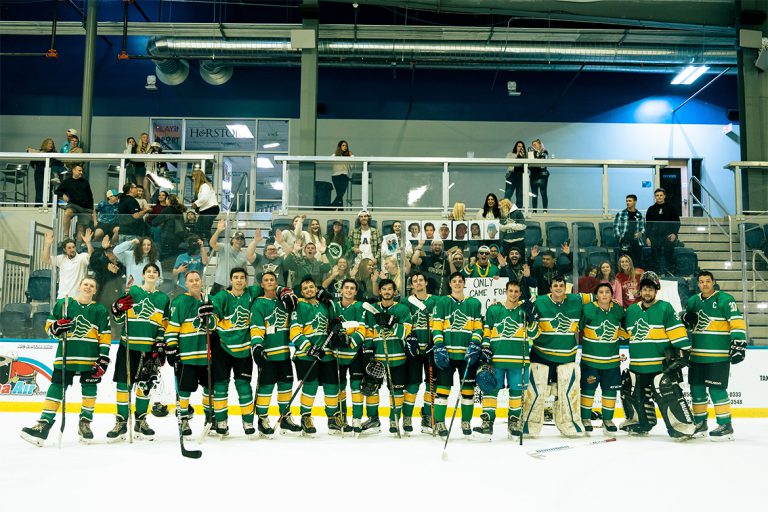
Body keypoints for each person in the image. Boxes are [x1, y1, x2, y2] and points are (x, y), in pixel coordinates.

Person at [20, 277, 111, 446]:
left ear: (95, 290)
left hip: (90, 357)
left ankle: (85, 423)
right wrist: (56, 327)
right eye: (86, 284)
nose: (88, 287)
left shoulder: (100, 310)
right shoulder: (64, 304)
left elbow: (105, 336)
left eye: (92, 286)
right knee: (56, 387)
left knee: (90, 389)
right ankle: (44, 424)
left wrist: (103, 358)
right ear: (80, 286)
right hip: (66, 356)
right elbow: (49, 326)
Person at [621, 271, 694, 439]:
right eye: (645, 289)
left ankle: (681, 425)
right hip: (638, 366)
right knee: (632, 389)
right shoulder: (631, 310)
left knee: (667, 391)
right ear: (640, 291)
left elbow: (677, 332)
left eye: (651, 289)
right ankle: (640, 423)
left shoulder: (665, 308)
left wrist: (684, 352)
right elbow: (623, 332)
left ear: (656, 291)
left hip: (659, 366)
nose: (647, 292)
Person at [107, 263, 170, 442]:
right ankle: (121, 421)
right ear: (143, 274)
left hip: (150, 349)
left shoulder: (163, 298)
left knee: (145, 385)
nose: (151, 274)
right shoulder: (132, 291)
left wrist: (160, 342)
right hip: (129, 346)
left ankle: (140, 421)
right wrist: (117, 307)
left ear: (159, 276)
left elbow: (163, 325)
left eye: (155, 271)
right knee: (122, 385)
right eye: (148, 271)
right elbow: (118, 318)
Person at [522, 275, 590, 438]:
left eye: (561, 285)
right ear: (550, 288)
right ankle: (529, 424)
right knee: (536, 391)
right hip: (541, 355)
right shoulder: (539, 302)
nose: (558, 288)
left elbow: (601, 296)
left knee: (567, 392)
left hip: (567, 357)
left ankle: (569, 423)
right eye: (555, 285)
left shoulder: (576, 300)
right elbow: (528, 325)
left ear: (565, 288)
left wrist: (613, 301)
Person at [683, 271, 746, 441]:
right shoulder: (693, 301)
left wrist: (738, 344)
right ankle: (700, 423)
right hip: (696, 356)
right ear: (697, 284)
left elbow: (736, 321)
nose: (704, 284)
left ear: (713, 282)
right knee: (696, 390)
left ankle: (726, 425)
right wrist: (684, 318)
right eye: (701, 282)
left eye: (707, 281)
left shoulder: (725, 299)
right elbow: (687, 325)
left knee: (717, 390)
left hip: (718, 356)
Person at [475, 280, 538, 439]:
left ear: (520, 293)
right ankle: (487, 423)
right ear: (506, 291)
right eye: (511, 291)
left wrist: (531, 319)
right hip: (496, 359)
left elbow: (534, 334)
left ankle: (514, 422)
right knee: (490, 389)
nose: (514, 294)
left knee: (517, 392)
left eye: (517, 291)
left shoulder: (524, 311)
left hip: (519, 360)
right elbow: (486, 331)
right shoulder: (494, 309)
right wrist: (485, 347)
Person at [164, 270, 217, 437]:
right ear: (185, 283)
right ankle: (184, 419)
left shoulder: (210, 300)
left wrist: (208, 318)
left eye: (197, 279)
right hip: (187, 355)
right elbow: (172, 327)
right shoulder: (180, 301)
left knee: (210, 388)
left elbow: (216, 326)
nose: (194, 283)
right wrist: (171, 347)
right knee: (184, 389)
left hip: (207, 355)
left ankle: (210, 418)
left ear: (201, 281)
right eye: (191, 280)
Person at [431, 272, 483, 438]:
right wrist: (439, 345)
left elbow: (478, 327)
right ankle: (439, 422)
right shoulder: (442, 302)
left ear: (464, 283)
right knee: (442, 390)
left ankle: (466, 421)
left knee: (468, 391)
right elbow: (436, 325)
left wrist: (475, 343)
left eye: (460, 281)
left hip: (467, 355)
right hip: (446, 353)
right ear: (450, 284)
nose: (458, 284)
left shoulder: (474, 303)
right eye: (454, 281)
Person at [250, 271, 302, 435]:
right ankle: (263, 419)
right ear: (262, 285)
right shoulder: (259, 303)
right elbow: (257, 327)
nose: (269, 281)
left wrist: (288, 292)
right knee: (266, 387)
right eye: (266, 280)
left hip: (284, 354)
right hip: (268, 354)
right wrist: (257, 346)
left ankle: (285, 417)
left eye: (272, 279)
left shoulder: (285, 301)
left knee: (286, 386)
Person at [289, 277, 342, 436]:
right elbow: (294, 332)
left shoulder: (325, 305)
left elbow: (337, 321)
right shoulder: (298, 306)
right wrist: (309, 348)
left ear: (316, 288)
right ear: (301, 292)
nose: (309, 290)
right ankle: (306, 418)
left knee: (332, 386)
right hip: (306, 355)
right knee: (310, 386)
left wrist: (332, 304)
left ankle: (332, 418)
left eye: (311, 287)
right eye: (305, 288)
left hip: (327, 354)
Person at [210, 267, 257, 437]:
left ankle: (248, 422)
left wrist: (284, 290)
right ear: (231, 280)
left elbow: (271, 285)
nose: (238, 280)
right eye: (235, 277)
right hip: (223, 348)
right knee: (221, 386)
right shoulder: (222, 296)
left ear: (246, 280)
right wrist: (208, 320)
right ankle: (221, 421)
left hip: (244, 349)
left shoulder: (252, 293)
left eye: (242, 278)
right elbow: (214, 316)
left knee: (244, 386)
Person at [362, 278, 412, 434]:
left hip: (397, 357)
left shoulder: (403, 310)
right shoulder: (371, 310)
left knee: (396, 391)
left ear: (395, 292)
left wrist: (391, 323)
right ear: (380, 291)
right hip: (377, 358)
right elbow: (368, 332)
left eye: (390, 289)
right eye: (384, 289)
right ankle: (373, 419)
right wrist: (369, 351)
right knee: (371, 389)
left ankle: (394, 419)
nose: (387, 292)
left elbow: (405, 333)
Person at [579, 282, 629, 434]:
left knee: (610, 391)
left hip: (611, 361)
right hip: (590, 361)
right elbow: (578, 327)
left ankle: (607, 419)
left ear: (612, 295)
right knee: (588, 390)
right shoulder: (588, 309)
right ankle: (585, 418)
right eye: (601, 292)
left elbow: (624, 328)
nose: (604, 295)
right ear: (596, 295)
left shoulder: (617, 310)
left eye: (607, 292)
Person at [325, 278, 369, 433]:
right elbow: (328, 327)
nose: (349, 290)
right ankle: (341, 417)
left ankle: (356, 419)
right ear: (341, 290)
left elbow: (362, 330)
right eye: (346, 288)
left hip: (354, 354)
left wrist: (348, 340)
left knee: (356, 387)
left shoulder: (360, 307)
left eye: (352, 288)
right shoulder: (333, 307)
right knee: (340, 388)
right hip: (336, 355)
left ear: (356, 292)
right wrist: (334, 337)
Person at [400, 272, 439, 434]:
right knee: (413, 384)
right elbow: (402, 321)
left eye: (420, 280)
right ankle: (407, 416)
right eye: (415, 281)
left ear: (425, 283)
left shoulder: (436, 300)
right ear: (411, 285)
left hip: (431, 348)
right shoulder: (406, 302)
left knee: (432, 384)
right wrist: (409, 338)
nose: (418, 283)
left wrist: (435, 340)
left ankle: (427, 416)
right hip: (414, 351)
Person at [42, 230, 93, 300]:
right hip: (62, 297)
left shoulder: (82, 257)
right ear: (64, 250)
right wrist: (47, 244)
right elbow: (45, 259)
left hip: (77, 298)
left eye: (73, 247)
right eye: (69, 248)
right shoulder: (61, 259)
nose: (72, 249)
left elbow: (92, 256)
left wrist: (88, 243)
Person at [210, 219, 255, 295]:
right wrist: (218, 231)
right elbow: (212, 244)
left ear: (244, 242)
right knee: (213, 305)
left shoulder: (244, 255)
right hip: (219, 284)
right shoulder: (224, 248)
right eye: (237, 238)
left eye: (241, 239)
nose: (239, 241)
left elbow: (244, 273)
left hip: (233, 286)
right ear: (232, 240)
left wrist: (246, 286)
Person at [645, 188, 680, 276]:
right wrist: (648, 237)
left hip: (668, 236)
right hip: (655, 237)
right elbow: (648, 225)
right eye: (657, 195)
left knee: (669, 254)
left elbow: (677, 222)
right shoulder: (651, 209)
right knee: (655, 256)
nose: (659, 197)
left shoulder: (671, 208)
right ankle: (657, 273)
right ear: (655, 197)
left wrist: (674, 234)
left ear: (664, 196)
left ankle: (669, 272)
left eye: (661, 195)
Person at [55, 165, 94, 243]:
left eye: (82, 171)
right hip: (74, 205)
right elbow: (57, 191)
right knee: (67, 212)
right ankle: (66, 236)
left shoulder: (85, 182)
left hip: (86, 208)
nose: (81, 173)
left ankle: (78, 246)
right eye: (79, 171)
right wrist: (63, 195)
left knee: (81, 227)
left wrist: (91, 210)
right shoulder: (67, 181)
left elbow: (90, 196)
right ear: (73, 170)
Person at [89, 235, 125, 308]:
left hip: (115, 300)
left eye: (114, 252)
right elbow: (93, 261)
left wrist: (116, 273)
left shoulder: (121, 266)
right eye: (109, 252)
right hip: (100, 298)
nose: (112, 255)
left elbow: (123, 281)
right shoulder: (101, 263)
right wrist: (101, 248)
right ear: (105, 253)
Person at [27, 137, 62, 203]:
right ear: (45, 144)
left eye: (52, 143)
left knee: (49, 189)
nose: (50, 145)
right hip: (39, 172)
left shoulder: (55, 153)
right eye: (49, 143)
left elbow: (58, 163)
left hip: (50, 172)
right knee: (39, 189)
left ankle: (49, 205)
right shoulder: (39, 152)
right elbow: (32, 162)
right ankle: (38, 205)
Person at [614, 194, 645, 266]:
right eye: (626, 201)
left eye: (630, 201)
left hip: (636, 241)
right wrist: (620, 238)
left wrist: (641, 233)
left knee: (637, 262)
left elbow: (643, 228)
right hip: (624, 241)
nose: (627, 202)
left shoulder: (639, 215)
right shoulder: (620, 214)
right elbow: (615, 228)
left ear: (635, 202)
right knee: (625, 262)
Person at [192, 167, 219, 239]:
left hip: (211, 210)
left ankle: (212, 247)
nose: (193, 178)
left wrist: (196, 203)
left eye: (194, 176)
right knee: (198, 228)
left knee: (205, 229)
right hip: (206, 210)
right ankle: (201, 245)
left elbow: (205, 198)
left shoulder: (205, 186)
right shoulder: (202, 186)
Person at [331, 140, 354, 208]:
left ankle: (331, 208)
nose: (345, 147)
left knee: (340, 194)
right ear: (340, 146)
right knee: (339, 194)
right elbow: (330, 160)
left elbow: (352, 165)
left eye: (346, 145)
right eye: (343, 145)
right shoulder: (334, 155)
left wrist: (351, 155)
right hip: (335, 176)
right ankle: (339, 209)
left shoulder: (348, 156)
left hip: (344, 175)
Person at [529, 138, 549, 213]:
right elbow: (530, 164)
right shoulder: (531, 153)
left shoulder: (544, 152)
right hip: (533, 175)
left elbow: (543, 164)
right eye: (532, 145)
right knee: (534, 194)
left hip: (542, 176)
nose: (533, 146)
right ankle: (534, 211)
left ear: (540, 145)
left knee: (543, 192)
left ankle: (545, 210)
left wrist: (538, 153)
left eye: (535, 145)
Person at [505, 140, 527, 207]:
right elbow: (507, 163)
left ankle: (518, 212)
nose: (520, 148)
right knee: (508, 194)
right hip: (511, 175)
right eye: (519, 146)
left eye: (522, 147)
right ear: (516, 147)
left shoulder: (525, 156)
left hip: (521, 176)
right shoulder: (510, 154)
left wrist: (523, 156)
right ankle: (506, 210)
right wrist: (517, 155)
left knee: (520, 195)